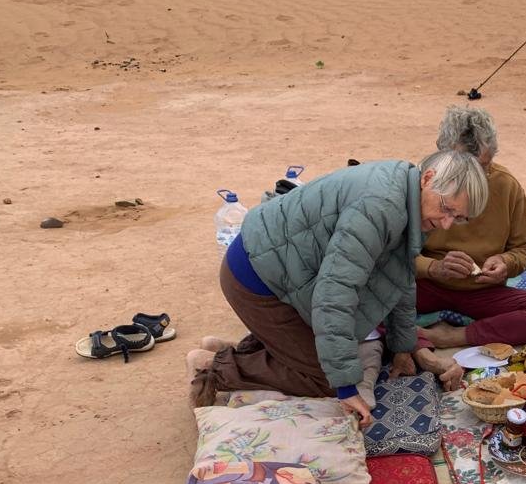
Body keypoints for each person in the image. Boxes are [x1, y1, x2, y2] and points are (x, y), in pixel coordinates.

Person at [189, 151, 489, 425]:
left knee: (338, 352)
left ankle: (253, 346)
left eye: (458, 218)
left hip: (289, 275)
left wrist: (403, 346)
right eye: (446, 209)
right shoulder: (381, 205)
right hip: (257, 278)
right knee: (327, 378)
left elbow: (400, 277)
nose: (447, 224)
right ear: (428, 178)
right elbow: (335, 294)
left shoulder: (409, 196)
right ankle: (215, 368)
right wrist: (344, 387)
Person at [412, 108, 526, 375]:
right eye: (462, 169)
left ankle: (452, 336)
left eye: (482, 168)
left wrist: (506, 263)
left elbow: (523, 248)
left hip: (482, 289)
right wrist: (434, 268)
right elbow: (393, 256)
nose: (473, 180)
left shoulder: (506, 186)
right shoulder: (425, 185)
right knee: (367, 295)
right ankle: (415, 346)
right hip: (427, 284)